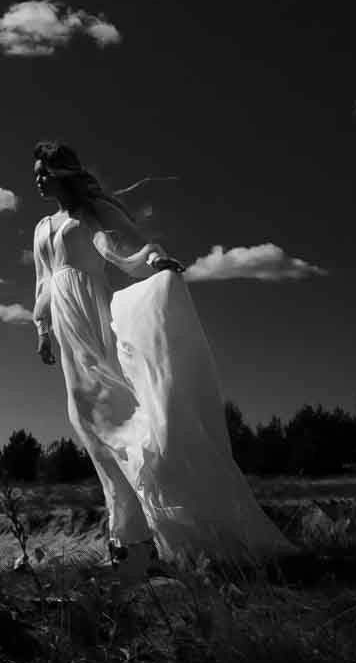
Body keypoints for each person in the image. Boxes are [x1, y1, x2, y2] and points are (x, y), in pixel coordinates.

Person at [29, 140, 292, 576]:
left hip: (93, 313)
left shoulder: (91, 212)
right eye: (35, 172)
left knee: (116, 418)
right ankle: (130, 538)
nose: (38, 178)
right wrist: (41, 328)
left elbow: (126, 242)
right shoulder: (41, 226)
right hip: (65, 323)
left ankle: (147, 532)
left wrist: (154, 261)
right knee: (88, 422)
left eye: (44, 171)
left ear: (63, 173)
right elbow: (42, 281)